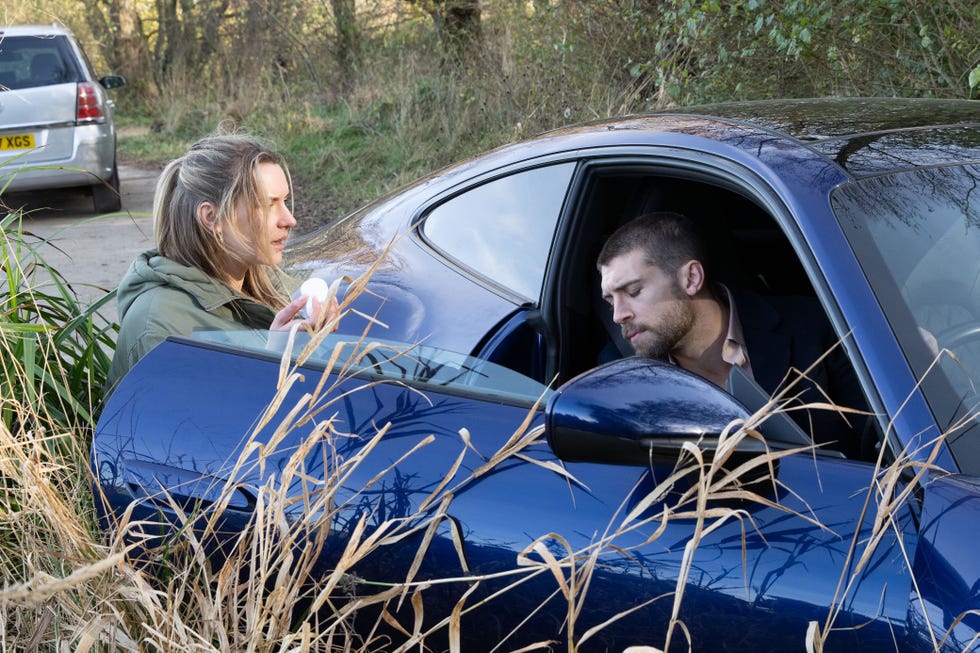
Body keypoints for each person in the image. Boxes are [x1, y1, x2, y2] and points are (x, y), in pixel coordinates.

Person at [597, 211, 871, 458]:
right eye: (610, 301)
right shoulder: (620, 375)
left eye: (633, 292)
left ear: (691, 278)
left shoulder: (815, 327)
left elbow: (883, 440)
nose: (618, 315)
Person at [106, 133, 339, 389]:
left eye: (284, 201)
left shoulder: (274, 286)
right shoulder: (160, 326)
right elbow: (193, 424)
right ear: (211, 217)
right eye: (267, 204)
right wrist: (271, 362)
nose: (289, 220)